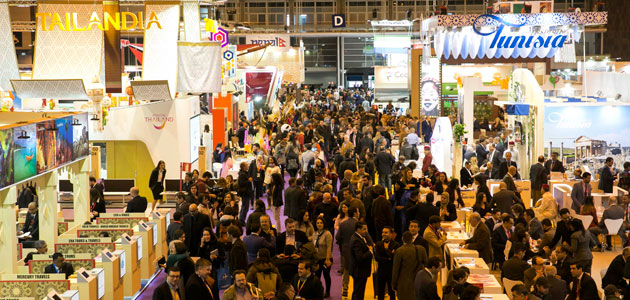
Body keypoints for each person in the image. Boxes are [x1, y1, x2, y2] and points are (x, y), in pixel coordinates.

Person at [392, 231, 428, 299]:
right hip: (419, 282)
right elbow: (426, 264)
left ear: (402, 239)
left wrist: (394, 284)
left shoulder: (399, 251)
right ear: (412, 239)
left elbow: (395, 270)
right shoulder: (421, 249)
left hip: (404, 284)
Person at [348, 221, 373, 300]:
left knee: (358, 292)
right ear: (358, 229)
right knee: (358, 293)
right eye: (364, 229)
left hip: (359, 271)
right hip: (359, 271)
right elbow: (360, 258)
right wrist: (370, 251)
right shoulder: (356, 240)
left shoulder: (359, 237)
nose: (366, 231)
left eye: (366, 229)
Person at [374, 226, 399, 300]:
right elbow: (377, 258)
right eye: (382, 232)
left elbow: (395, 258)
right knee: (380, 292)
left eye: (386, 232)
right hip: (381, 271)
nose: (383, 234)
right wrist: (388, 258)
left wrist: (386, 249)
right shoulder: (378, 244)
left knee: (392, 292)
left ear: (391, 234)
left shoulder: (396, 244)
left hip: (391, 272)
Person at [312, 217, 333, 297]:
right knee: (317, 276)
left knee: (326, 275)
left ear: (324, 224)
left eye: (321, 223)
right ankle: (318, 292)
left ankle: (327, 292)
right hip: (317, 259)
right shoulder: (315, 233)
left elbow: (329, 248)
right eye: (318, 223)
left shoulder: (327, 234)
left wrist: (327, 259)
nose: (319, 224)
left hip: (326, 259)